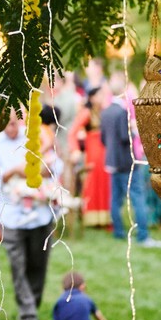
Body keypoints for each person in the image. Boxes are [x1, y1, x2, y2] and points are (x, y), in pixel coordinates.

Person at [0, 109, 62, 320]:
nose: (12, 127)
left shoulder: (34, 137)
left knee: (38, 265)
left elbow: (55, 165)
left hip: (40, 214)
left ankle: (33, 304)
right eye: (7, 123)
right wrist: (13, 172)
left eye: (14, 123)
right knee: (18, 266)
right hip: (11, 216)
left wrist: (40, 171)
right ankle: (28, 315)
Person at [100, 71, 161, 248]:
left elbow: (103, 139)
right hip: (127, 161)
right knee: (137, 197)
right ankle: (143, 235)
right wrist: (134, 132)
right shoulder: (122, 112)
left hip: (111, 161)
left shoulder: (105, 112)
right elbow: (124, 137)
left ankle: (118, 231)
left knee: (115, 198)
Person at [68, 86, 111, 226]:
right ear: (92, 98)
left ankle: (104, 218)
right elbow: (72, 132)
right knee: (93, 181)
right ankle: (91, 217)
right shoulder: (87, 112)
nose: (102, 98)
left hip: (105, 150)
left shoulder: (103, 111)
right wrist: (75, 150)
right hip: (93, 151)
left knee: (105, 182)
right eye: (99, 95)